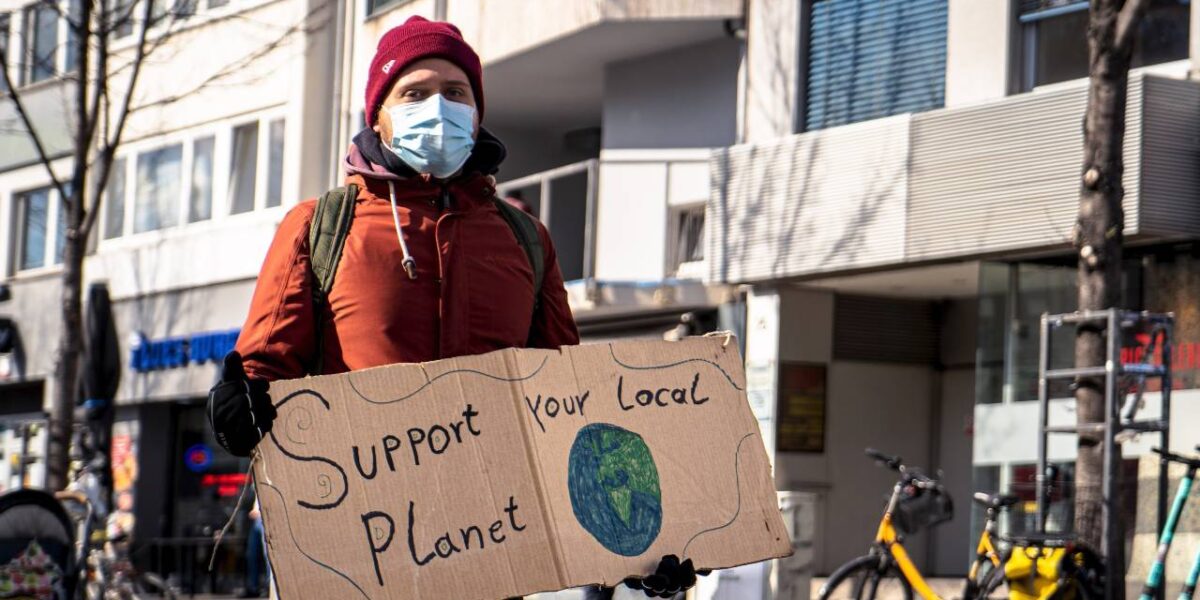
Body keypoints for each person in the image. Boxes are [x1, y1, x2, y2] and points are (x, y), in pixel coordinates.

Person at [206, 16, 699, 598]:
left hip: (492, 561)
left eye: (455, 93)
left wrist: (644, 547)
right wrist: (237, 406)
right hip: (358, 561)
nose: (438, 107)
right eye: (414, 93)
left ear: (477, 112)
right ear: (379, 116)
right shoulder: (319, 229)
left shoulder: (526, 239)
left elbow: (569, 414)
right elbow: (262, 376)